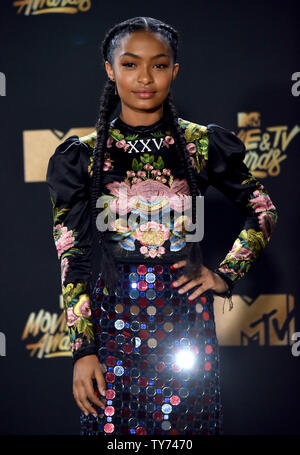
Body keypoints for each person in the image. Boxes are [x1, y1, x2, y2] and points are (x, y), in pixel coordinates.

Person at [46, 17, 278, 436]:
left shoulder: (201, 144)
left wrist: (225, 274)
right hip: (111, 325)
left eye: (159, 64)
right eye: (131, 64)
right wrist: (83, 349)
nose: (145, 78)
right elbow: (72, 254)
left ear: (174, 70)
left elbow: (262, 210)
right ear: (109, 68)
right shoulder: (82, 156)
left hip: (185, 326)